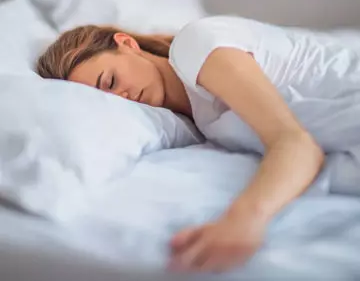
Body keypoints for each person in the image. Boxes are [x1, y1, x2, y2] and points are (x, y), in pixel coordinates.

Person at [37, 15, 360, 273]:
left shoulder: (196, 46)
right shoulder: (199, 120)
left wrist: (241, 222)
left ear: (127, 44)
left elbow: (295, 142)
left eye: (110, 81)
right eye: (103, 98)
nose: (119, 98)